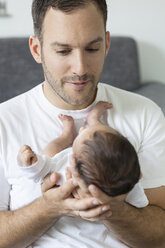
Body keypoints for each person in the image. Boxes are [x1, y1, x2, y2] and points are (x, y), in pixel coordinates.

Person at [0, 0, 165, 247]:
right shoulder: (4, 121)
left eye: (92, 49)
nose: (80, 68)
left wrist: (113, 208)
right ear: (37, 49)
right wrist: (49, 208)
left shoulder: (145, 114)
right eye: (63, 51)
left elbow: (160, 234)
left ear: (107, 44)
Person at [18, 101, 148, 208]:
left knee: (51, 152)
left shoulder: (62, 171)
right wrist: (135, 180)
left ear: (73, 160)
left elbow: (39, 175)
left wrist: (31, 164)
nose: (82, 128)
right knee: (106, 139)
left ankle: (66, 136)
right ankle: (93, 119)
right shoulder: (127, 178)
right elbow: (141, 204)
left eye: (81, 135)